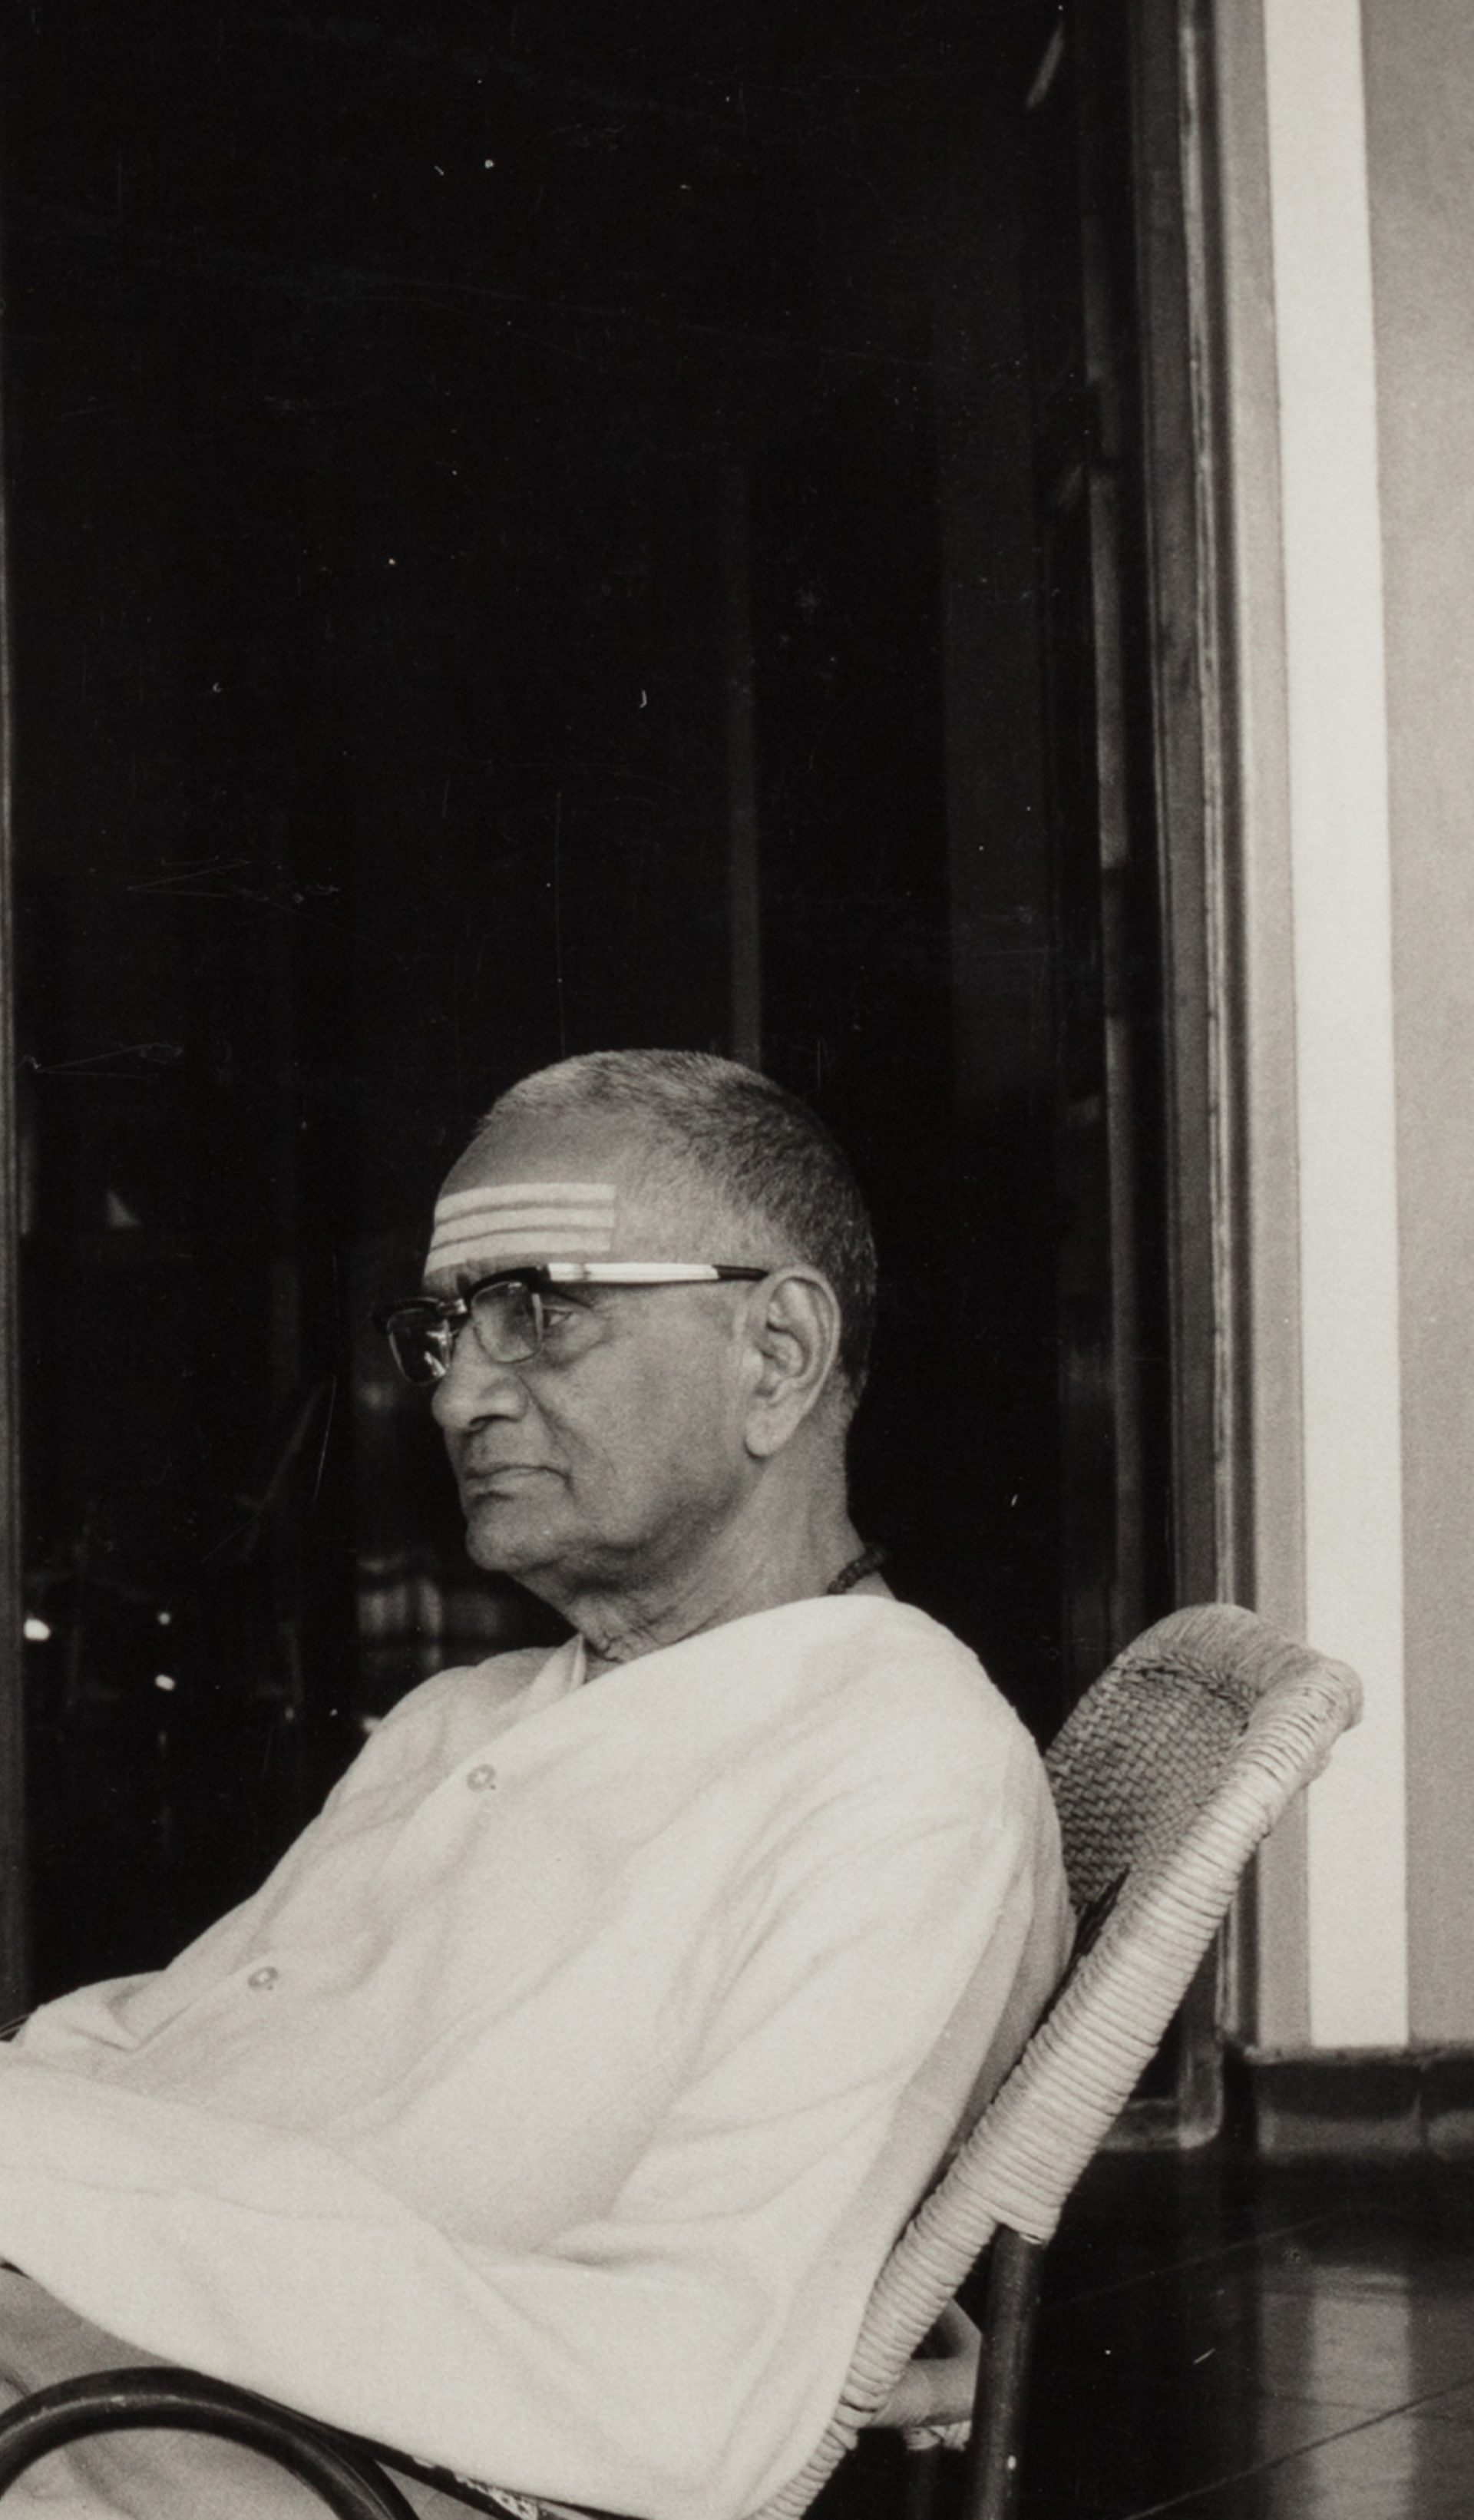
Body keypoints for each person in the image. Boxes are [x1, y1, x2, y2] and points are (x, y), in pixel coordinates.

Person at [0, 1050, 1071, 2520]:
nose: (457, 1397)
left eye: (540, 1311)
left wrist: (53, 2182)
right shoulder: (465, 1715)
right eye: (445, 1329)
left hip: (290, 2460)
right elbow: (153, 2047)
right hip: (103, 2354)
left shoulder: (899, 1775)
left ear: (777, 1354)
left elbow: (683, 2395)